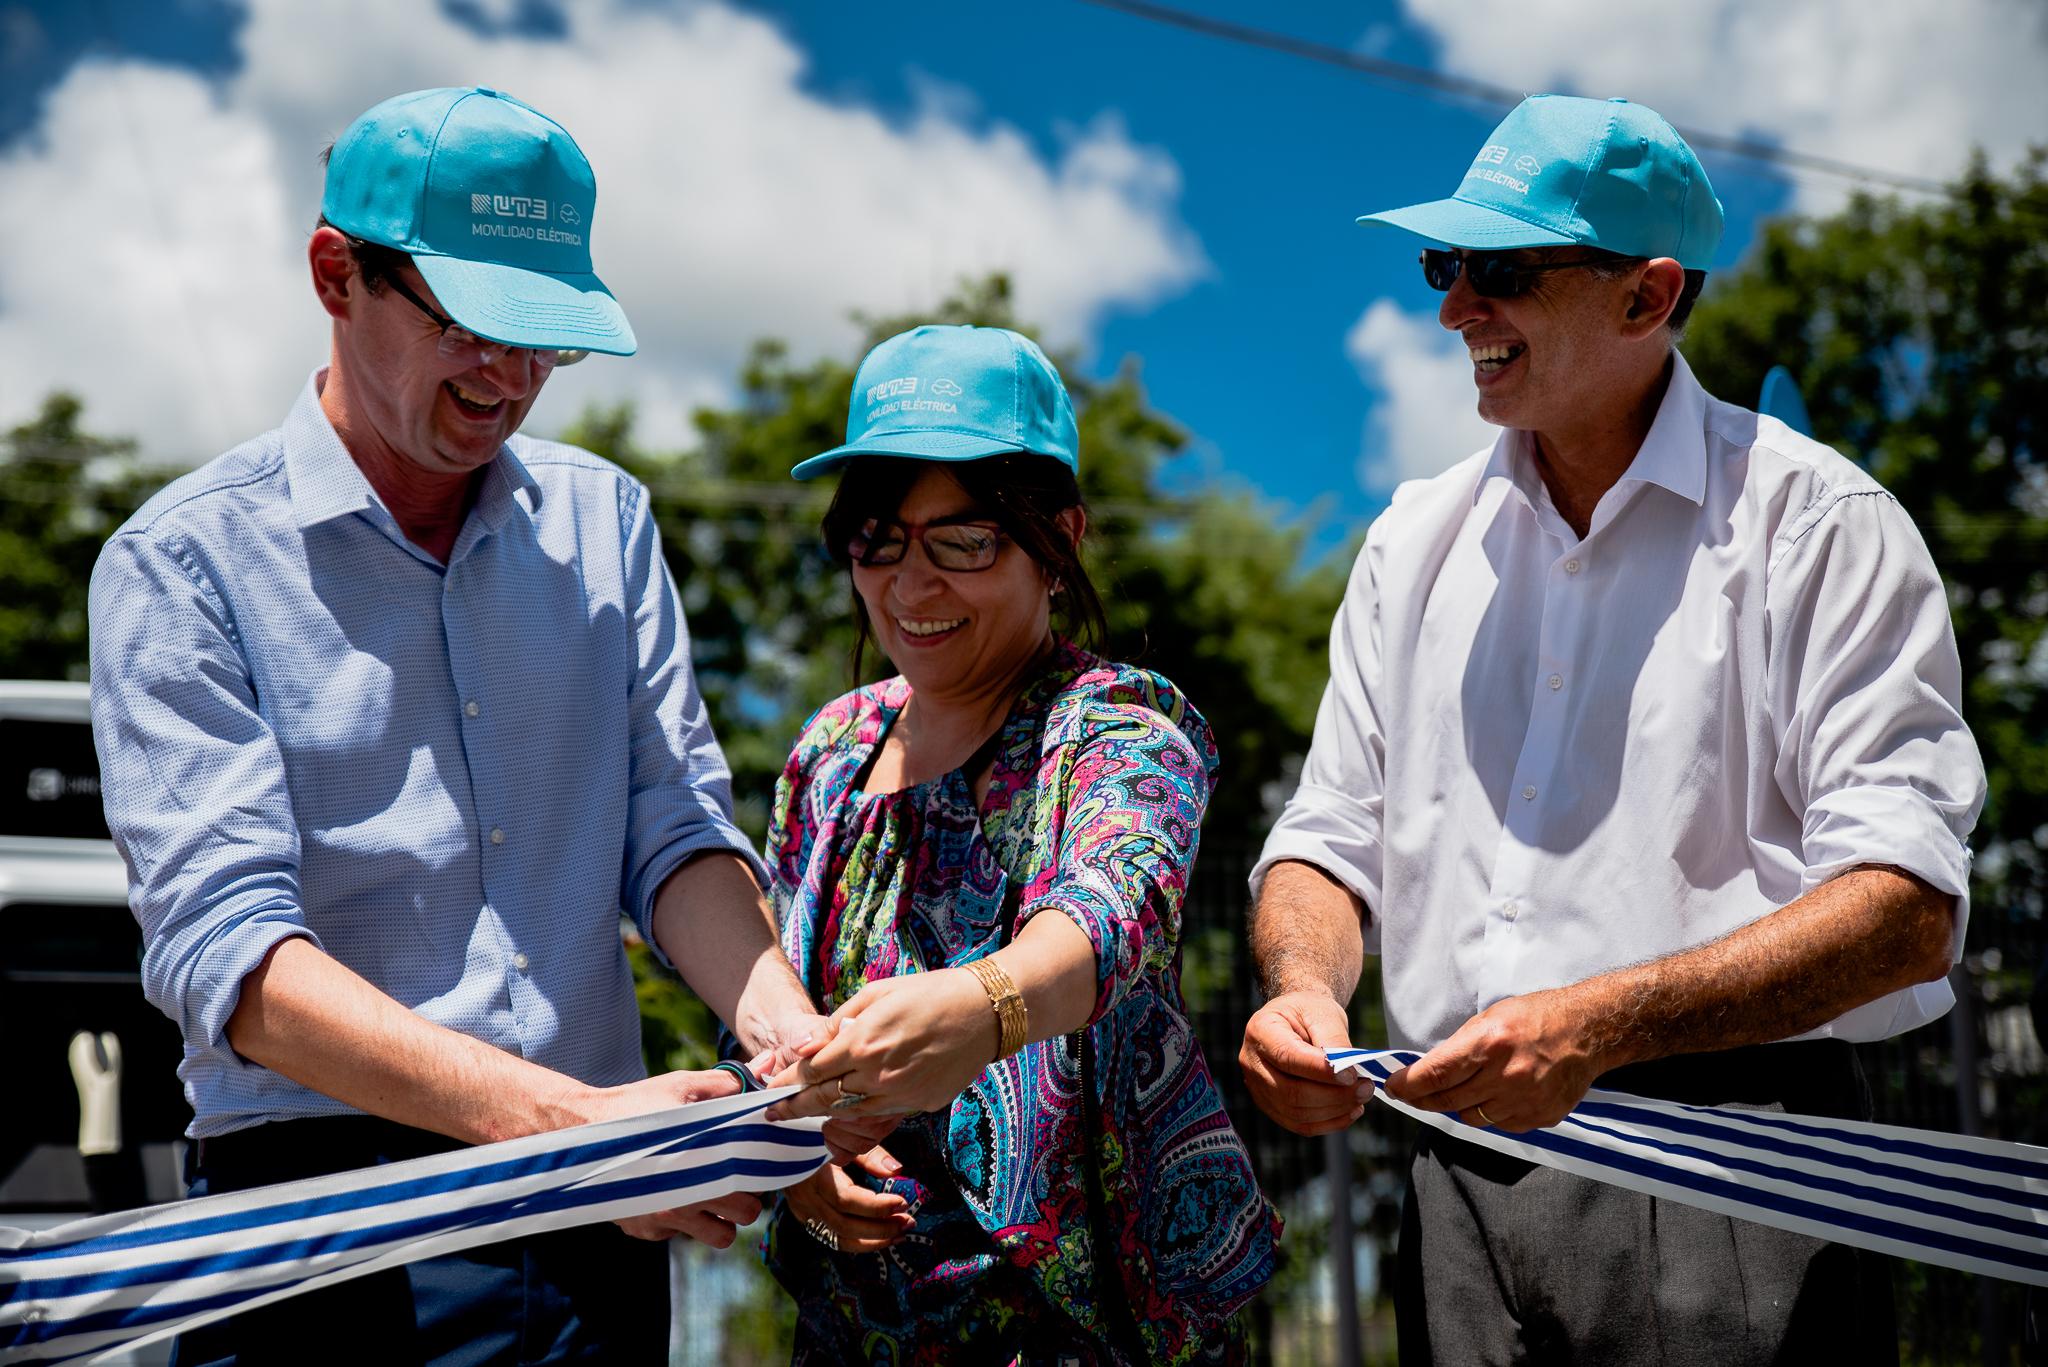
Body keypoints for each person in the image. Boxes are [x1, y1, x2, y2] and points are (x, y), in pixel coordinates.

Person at [88, 87, 867, 1364]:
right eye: (470, 324)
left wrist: (787, 1042)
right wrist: (570, 1124)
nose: (508, 378)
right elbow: (233, 962)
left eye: (544, 338)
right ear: (337, 276)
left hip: (597, 1212)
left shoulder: (603, 523)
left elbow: (670, 828)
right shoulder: (184, 566)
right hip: (324, 1217)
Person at [1237, 94, 1986, 1364]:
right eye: (1443, 264)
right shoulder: (1409, 542)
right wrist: (1303, 985)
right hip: (1451, 1170)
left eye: (1501, 272)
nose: (1454, 308)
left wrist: (1596, 1023)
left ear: (1646, 298)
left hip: (1733, 1174)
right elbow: (1327, 834)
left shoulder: (1818, 525)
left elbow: (1904, 904)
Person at [758, 324, 1280, 1364]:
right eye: (878, 537)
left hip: (1080, 1333)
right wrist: (788, 1152)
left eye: (963, 539)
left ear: (1061, 540)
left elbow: (1113, 901)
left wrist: (985, 1004)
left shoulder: (1117, 724)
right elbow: (775, 1001)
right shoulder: (831, 751)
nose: (911, 586)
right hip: (854, 1329)